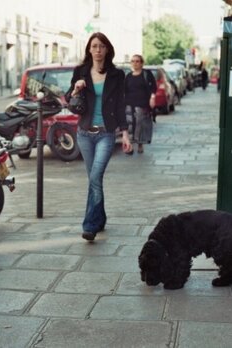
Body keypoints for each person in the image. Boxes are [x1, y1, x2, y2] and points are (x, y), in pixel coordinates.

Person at [65, 32, 132, 242]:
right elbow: (68, 99)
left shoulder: (117, 75)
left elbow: (121, 105)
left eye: (101, 46)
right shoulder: (81, 71)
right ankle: (100, 218)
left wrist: (126, 133)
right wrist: (76, 89)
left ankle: (90, 225)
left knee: (95, 178)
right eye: (94, 46)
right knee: (95, 180)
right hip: (85, 133)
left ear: (107, 50)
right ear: (89, 49)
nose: (97, 50)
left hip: (106, 133)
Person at [124, 54, 157, 154]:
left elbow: (153, 87)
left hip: (143, 104)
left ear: (142, 63)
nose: (135, 63)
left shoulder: (146, 74)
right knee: (130, 125)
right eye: (133, 61)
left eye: (137, 61)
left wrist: (152, 98)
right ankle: (130, 145)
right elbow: (124, 90)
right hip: (130, 104)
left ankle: (140, 144)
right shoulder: (128, 76)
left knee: (140, 125)